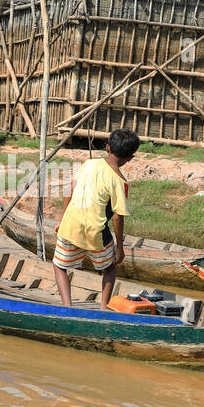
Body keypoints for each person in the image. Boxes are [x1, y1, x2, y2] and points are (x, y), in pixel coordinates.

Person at [52, 128, 140, 308]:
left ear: (107, 147)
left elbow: (71, 188)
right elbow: (117, 218)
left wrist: (62, 220)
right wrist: (120, 249)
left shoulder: (89, 164)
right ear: (130, 158)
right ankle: (103, 307)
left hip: (70, 226)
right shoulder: (120, 181)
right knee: (109, 267)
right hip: (96, 233)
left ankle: (67, 307)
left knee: (59, 265)